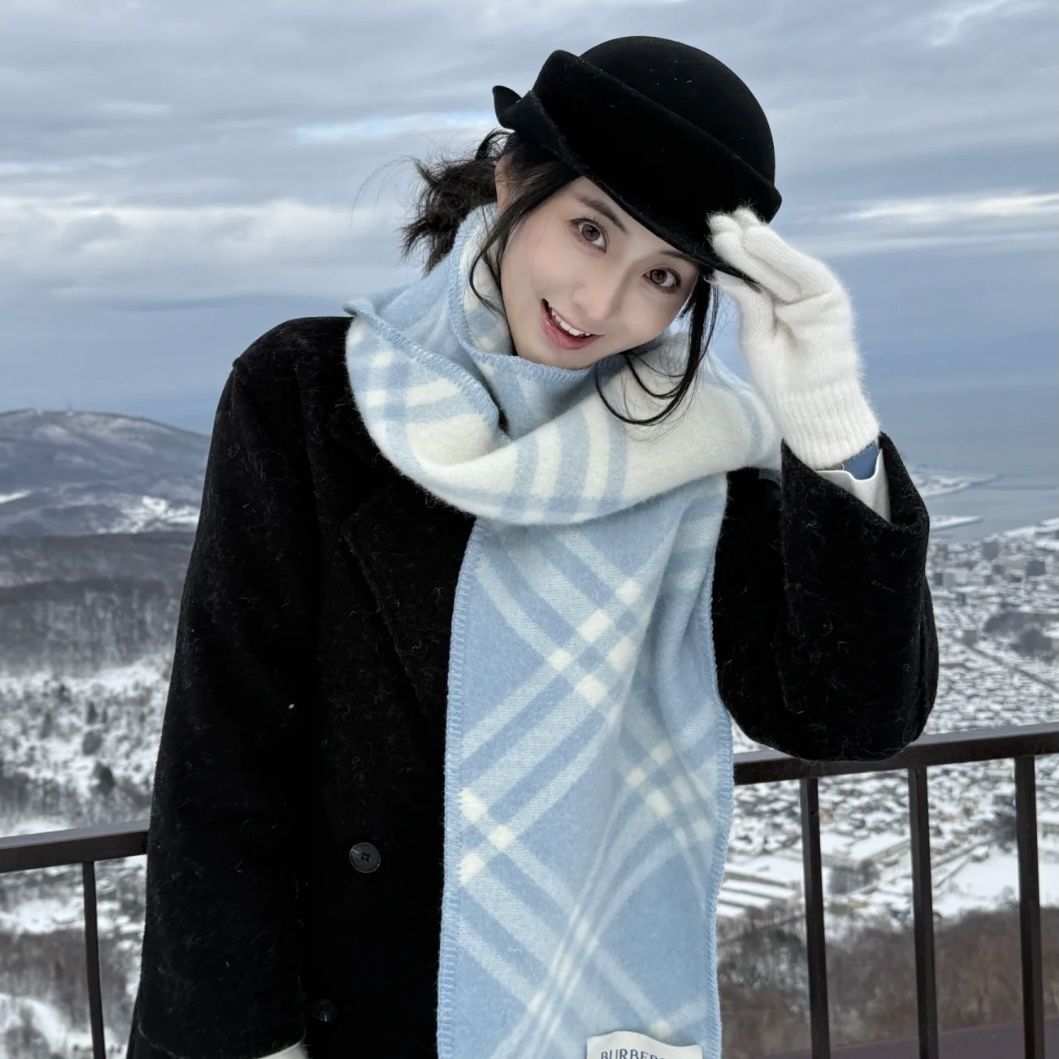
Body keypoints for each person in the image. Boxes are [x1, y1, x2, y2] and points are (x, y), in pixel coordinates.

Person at [124, 36, 938, 1059]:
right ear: (514, 180)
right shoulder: (309, 395)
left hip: (581, 1018)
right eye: (589, 230)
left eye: (663, 276)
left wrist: (825, 421)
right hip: (325, 1019)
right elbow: (225, 749)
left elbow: (848, 713)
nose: (601, 304)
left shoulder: (698, 455)